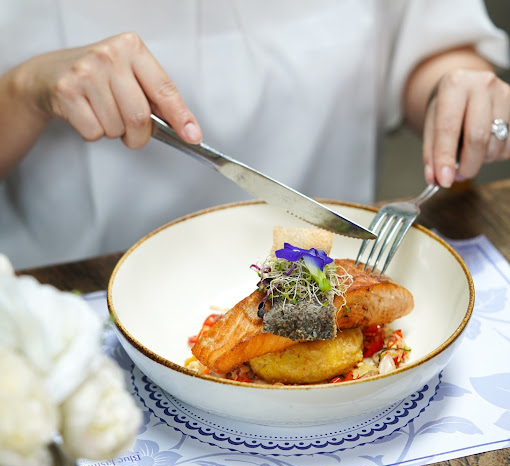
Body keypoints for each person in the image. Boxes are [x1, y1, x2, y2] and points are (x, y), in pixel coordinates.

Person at [0, 1, 509, 269]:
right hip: (69, 293)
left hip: (332, 258)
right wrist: (23, 89)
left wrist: (455, 94)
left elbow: (430, 49)